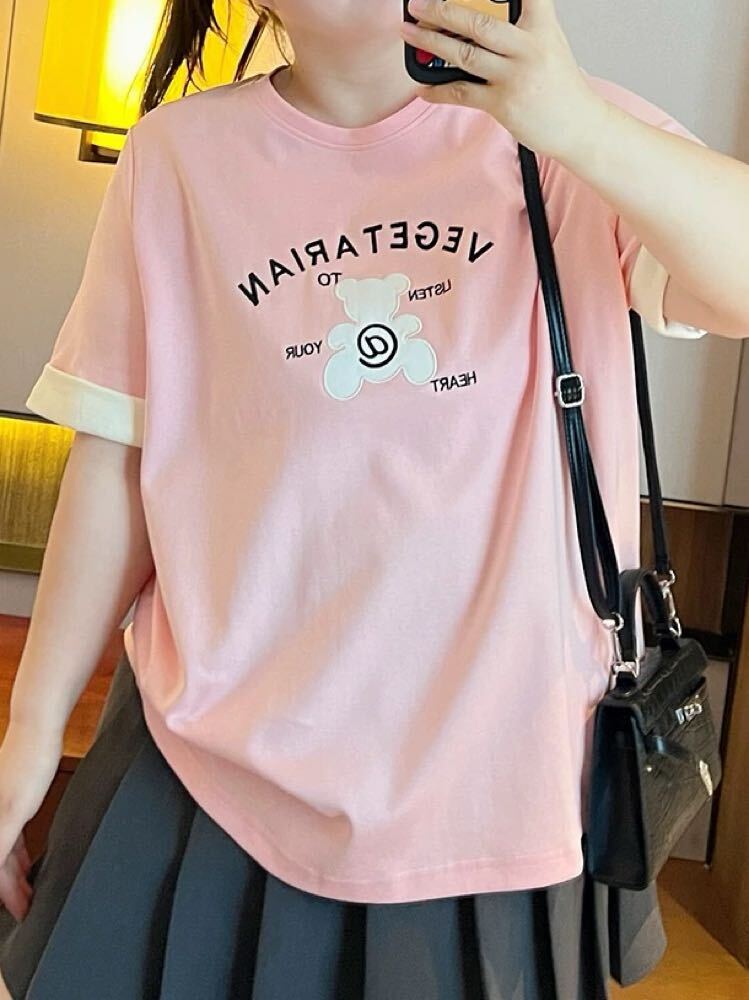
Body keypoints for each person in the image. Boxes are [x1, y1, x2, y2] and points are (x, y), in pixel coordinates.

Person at [2, 0, 747, 996]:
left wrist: (576, 126)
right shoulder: (178, 158)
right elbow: (119, 462)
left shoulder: (562, 136)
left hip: (491, 783)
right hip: (205, 759)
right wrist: (30, 733)